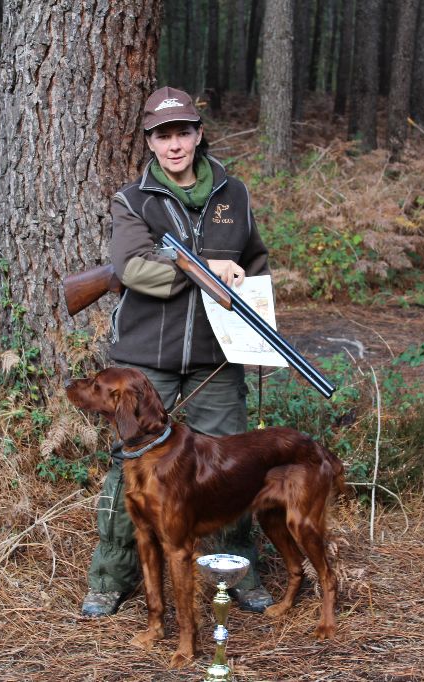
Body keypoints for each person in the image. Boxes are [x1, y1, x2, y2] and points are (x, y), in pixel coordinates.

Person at [81, 86, 274, 618]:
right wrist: (199, 271)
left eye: (183, 132)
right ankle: (110, 577)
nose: (174, 144)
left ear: (198, 134)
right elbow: (131, 269)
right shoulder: (133, 200)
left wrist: (242, 281)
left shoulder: (233, 194)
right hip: (147, 360)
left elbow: (254, 261)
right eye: (163, 135)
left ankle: (235, 569)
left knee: (232, 464)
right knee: (132, 471)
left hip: (216, 354)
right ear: (149, 140)